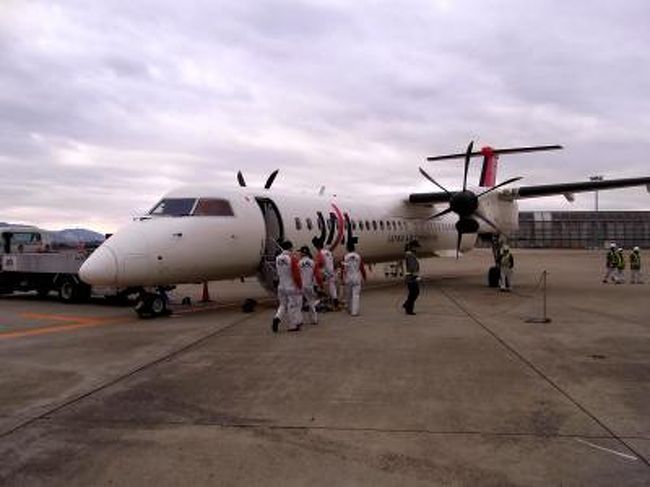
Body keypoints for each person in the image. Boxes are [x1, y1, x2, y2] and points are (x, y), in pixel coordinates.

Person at [272, 240, 303, 332]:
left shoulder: (277, 258)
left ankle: (277, 317)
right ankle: (292, 325)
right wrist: (300, 286)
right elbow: (296, 275)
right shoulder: (292, 258)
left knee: (282, 304)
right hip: (291, 286)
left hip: (281, 286)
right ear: (290, 248)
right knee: (292, 306)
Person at [341, 239, 366, 316]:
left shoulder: (345, 257)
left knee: (348, 295)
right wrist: (364, 277)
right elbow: (362, 268)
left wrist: (342, 277)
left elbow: (343, 269)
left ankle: (349, 308)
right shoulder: (358, 256)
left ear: (347, 248)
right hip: (356, 277)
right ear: (354, 248)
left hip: (348, 277)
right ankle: (354, 312)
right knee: (356, 295)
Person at [313, 238, 339, 309]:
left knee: (316, 281)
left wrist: (315, 265)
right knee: (332, 287)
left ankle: (320, 296)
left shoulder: (320, 253)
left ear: (317, 246)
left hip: (326, 272)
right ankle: (335, 301)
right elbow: (334, 261)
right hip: (332, 271)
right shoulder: (329, 252)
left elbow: (320, 263)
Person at [298, 246, 318, 324]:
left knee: (298, 304)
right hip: (310, 285)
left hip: (301, 285)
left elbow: (297, 275)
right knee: (311, 303)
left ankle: (299, 320)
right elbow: (315, 275)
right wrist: (316, 286)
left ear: (303, 253)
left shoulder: (299, 263)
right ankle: (314, 320)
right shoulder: (313, 262)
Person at [402, 240, 421, 315]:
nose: (417, 249)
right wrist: (416, 277)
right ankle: (408, 308)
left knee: (413, 293)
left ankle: (407, 305)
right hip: (411, 278)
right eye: (416, 247)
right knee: (414, 293)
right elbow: (413, 267)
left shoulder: (410, 254)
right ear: (412, 247)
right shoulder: (410, 255)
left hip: (411, 277)